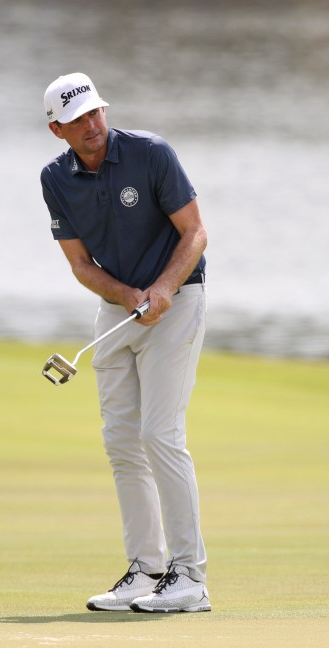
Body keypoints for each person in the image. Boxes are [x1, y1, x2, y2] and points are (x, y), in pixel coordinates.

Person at [39, 72, 211, 613]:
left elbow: (196, 232)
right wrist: (128, 295)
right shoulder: (54, 178)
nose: (92, 125)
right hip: (118, 311)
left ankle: (190, 578)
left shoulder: (151, 154)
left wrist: (161, 290)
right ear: (56, 129)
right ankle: (147, 569)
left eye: (95, 113)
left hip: (177, 303)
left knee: (161, 434)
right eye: (77, 120)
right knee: (121, 442)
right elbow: (80, 264)